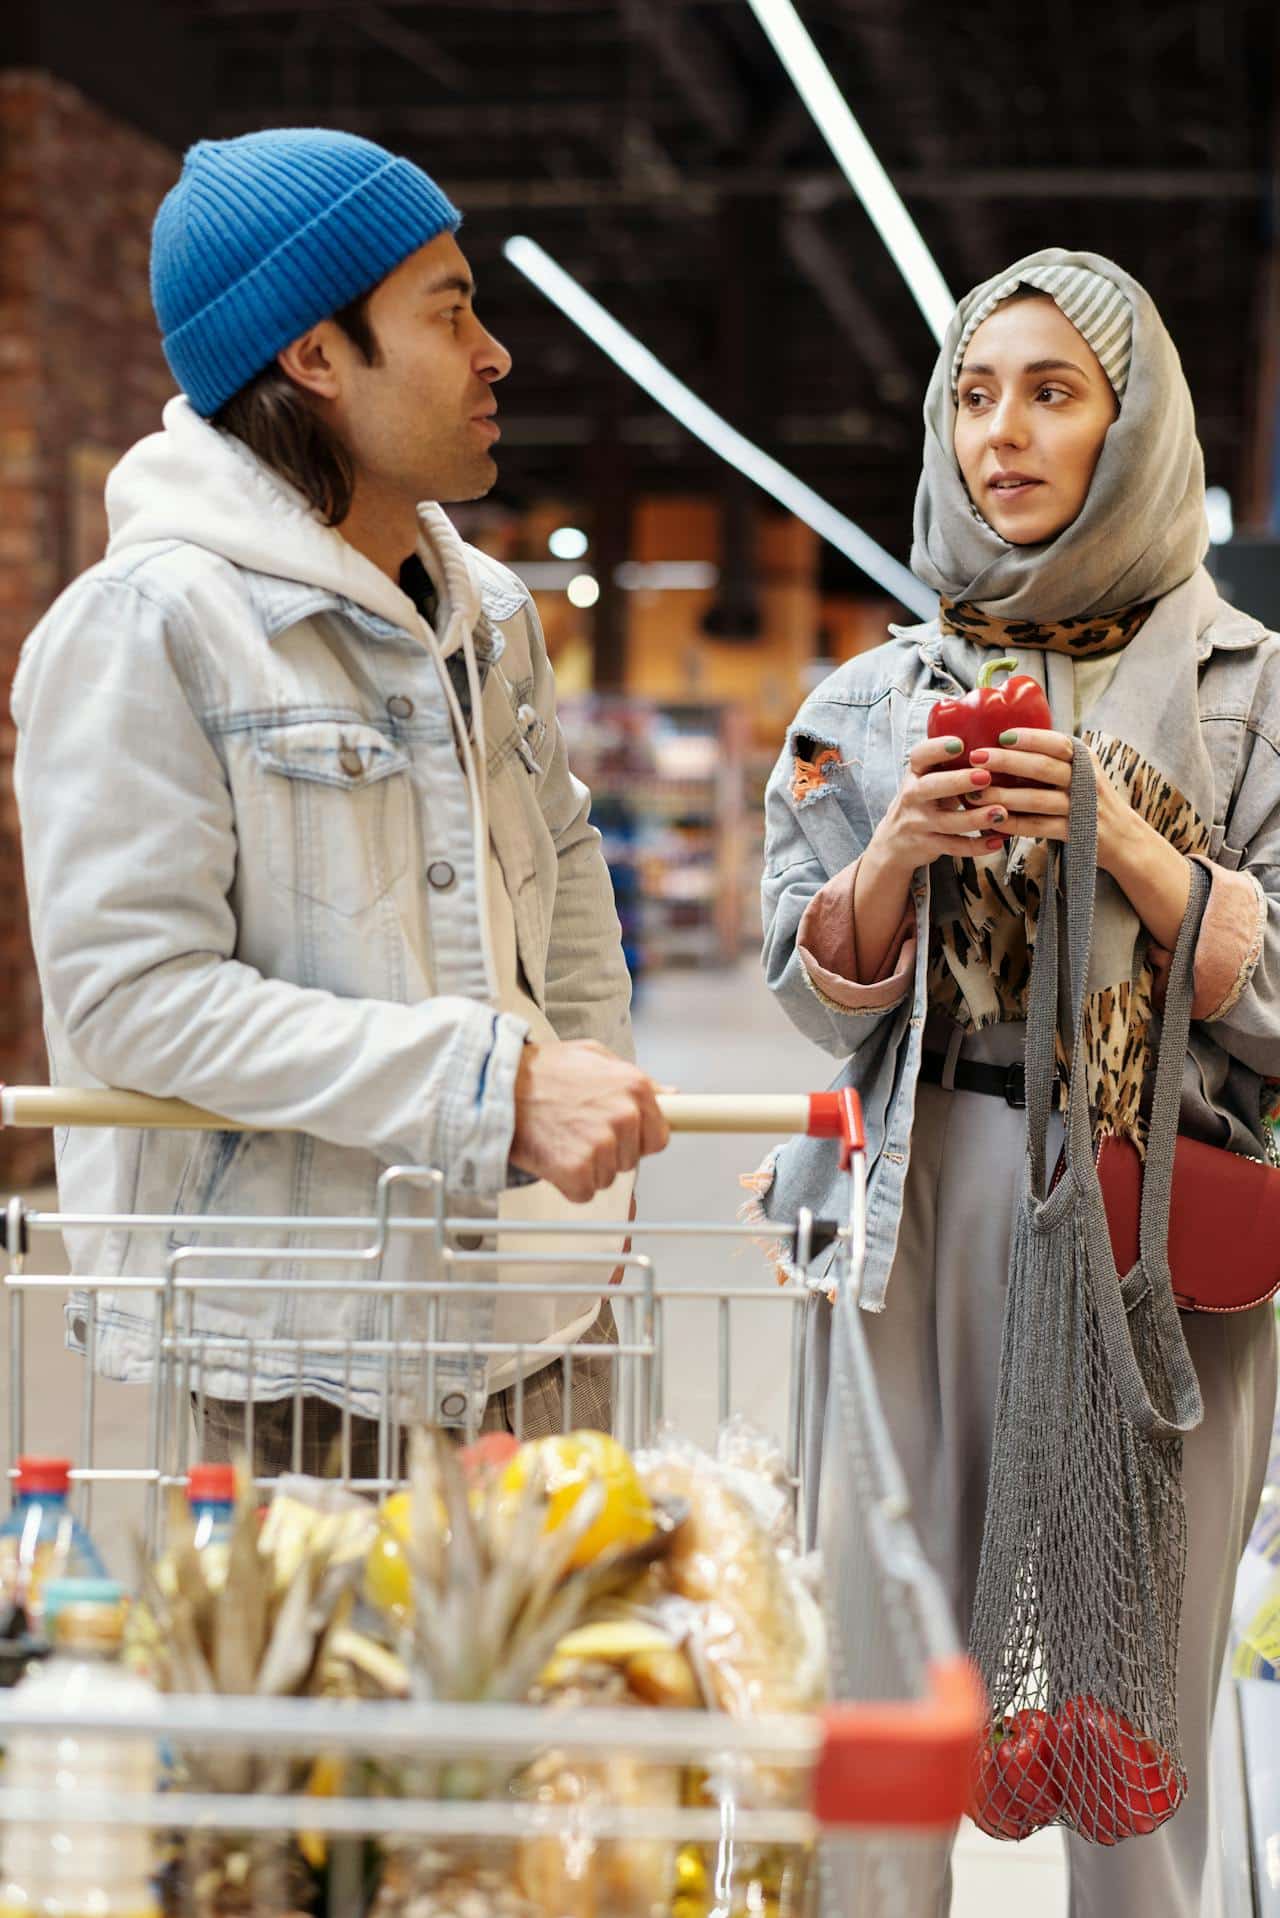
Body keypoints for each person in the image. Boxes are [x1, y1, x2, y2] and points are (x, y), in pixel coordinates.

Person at [11, 127, 669, 1472]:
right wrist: (498, 1087)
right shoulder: (147, 628)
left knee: (569, 1676)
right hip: (311, 1356)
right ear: (315, 356)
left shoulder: (486, 610)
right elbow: (133, 999)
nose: (492, 351)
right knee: (333, 1686)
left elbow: (562, 863)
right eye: (449, 310)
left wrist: (590, 1133)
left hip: (542, 1314)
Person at [755, 249, 1279, 1915]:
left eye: (1054, 392)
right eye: (976, 395)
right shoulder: (872, 697)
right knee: (892, 1669)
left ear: (1135, 426)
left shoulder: (1252, 690)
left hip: (1152, 1214)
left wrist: (1132, 848)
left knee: (1139, 1715)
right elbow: (807, 979)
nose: (1004, 433)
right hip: (930, 1188)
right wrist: (894, 858)